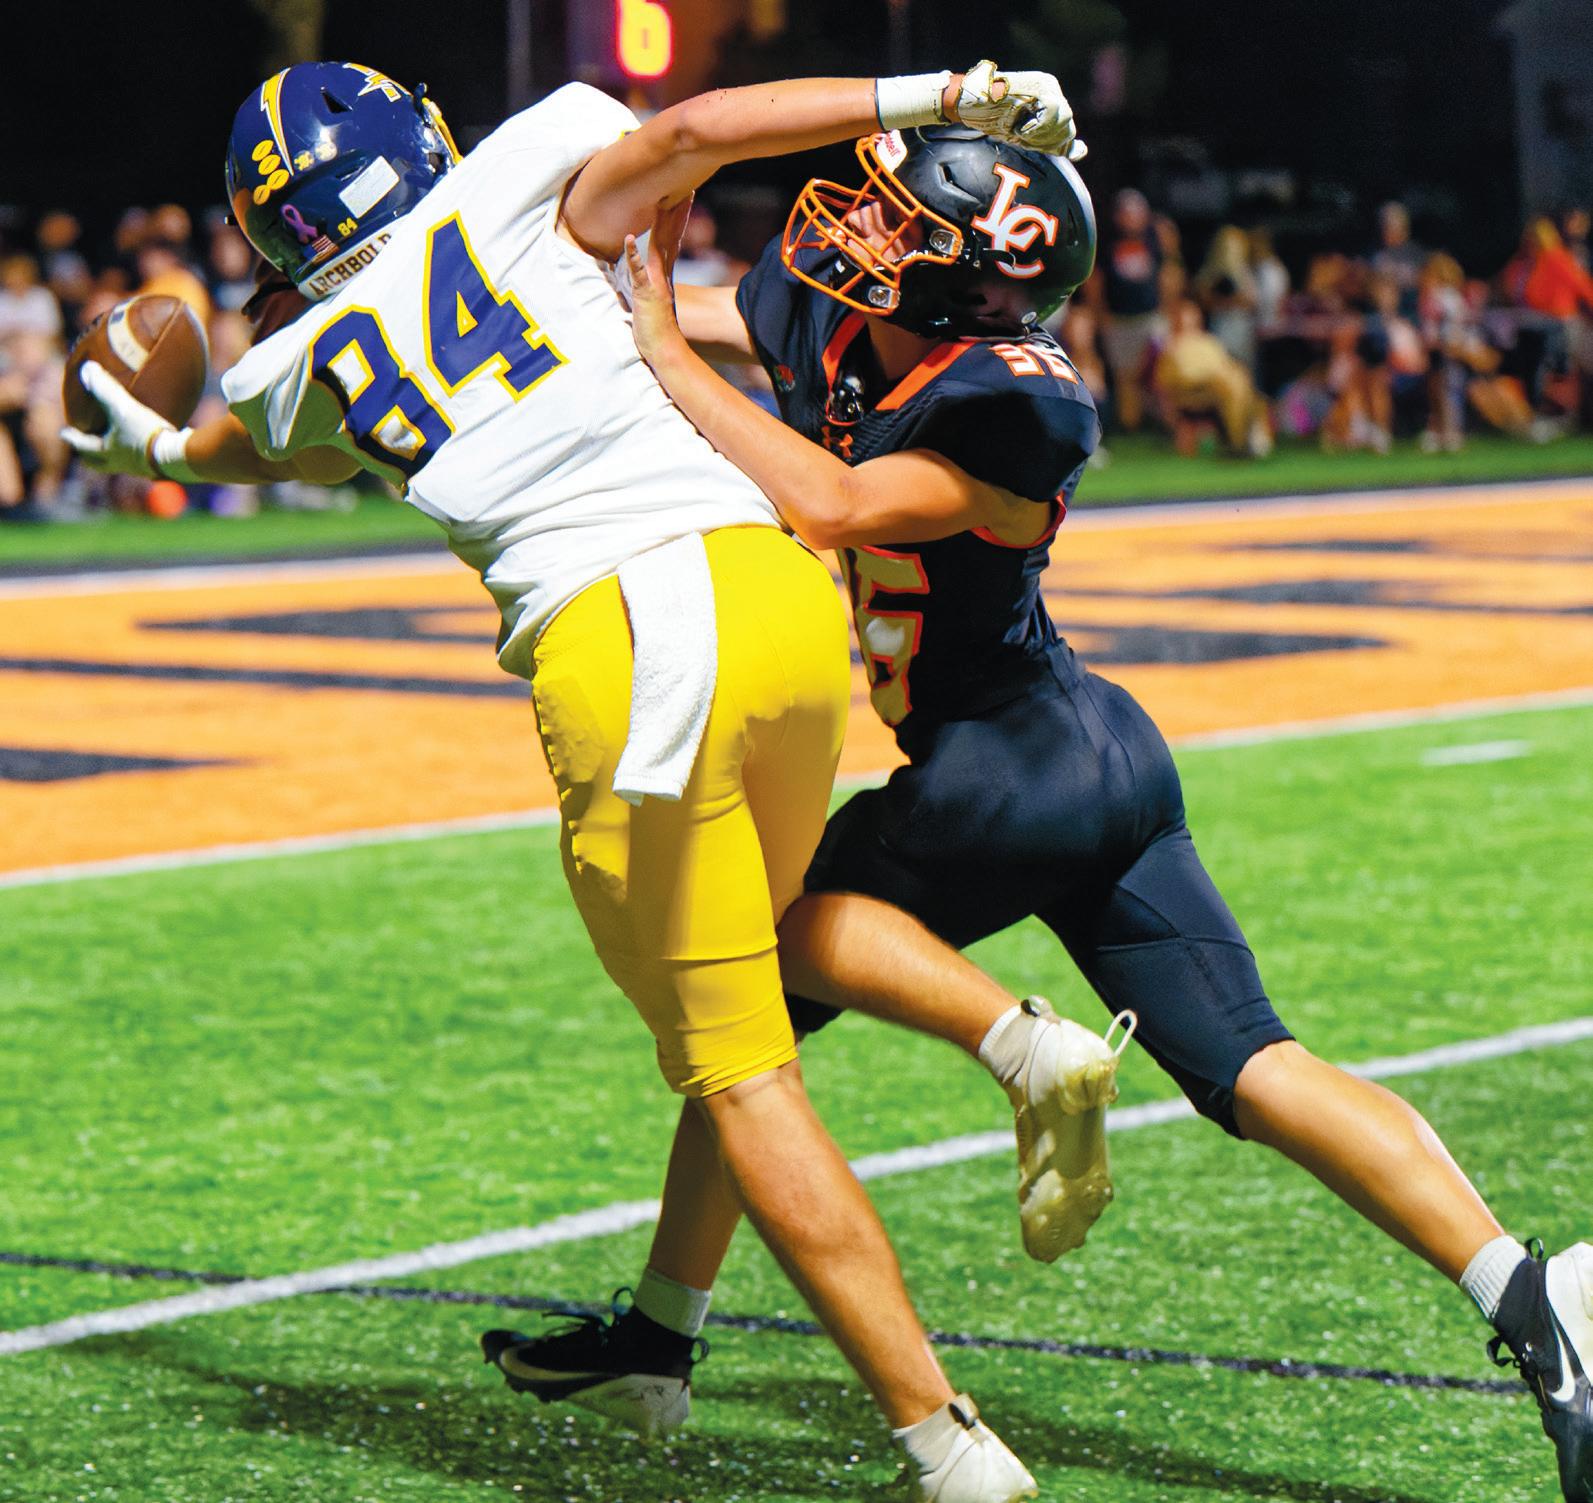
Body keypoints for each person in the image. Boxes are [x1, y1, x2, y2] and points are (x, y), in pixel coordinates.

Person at [62, 59, 1113, 1503]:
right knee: (765, 974)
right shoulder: (530, 165)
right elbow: (696, 131)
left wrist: (153, 442)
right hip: (776, 601)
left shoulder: (291, 362)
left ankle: (945, 1442)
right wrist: (939, 94)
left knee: (741, 1072)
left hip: (625, 648)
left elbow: (256, 441)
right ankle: (685, 1322)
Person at [497, 124, 1593, 1503]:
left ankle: (1009, 1058)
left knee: (751, 991)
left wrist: (660, 345)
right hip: (1098, 754)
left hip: (997, 770)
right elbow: (681, 311)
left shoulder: (1012, 404)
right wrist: (586, 287)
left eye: (899, 221)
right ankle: (1535, 1295)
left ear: (962, 280)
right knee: (1256, 1068)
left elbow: (831, 501)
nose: (861, 229)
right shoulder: (849, 319)